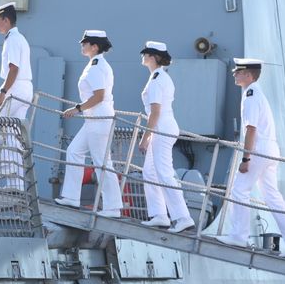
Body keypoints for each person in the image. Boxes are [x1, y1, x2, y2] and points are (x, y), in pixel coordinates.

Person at [218, 58, 285, 256]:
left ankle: (239, 235)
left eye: (238, 71)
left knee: (239, 190)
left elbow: (251, 129)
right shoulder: (256, 93)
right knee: (272, 196)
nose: (234, 74)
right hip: (270, 149)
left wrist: (246, 159)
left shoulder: (251, 95)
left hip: (258, 149)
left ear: (248, 74)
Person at [55, 31, 123, 218]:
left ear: (95, 46)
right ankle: (71, 196)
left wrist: (77, 108)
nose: (82, 46)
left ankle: (113, 207)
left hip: (99, 119)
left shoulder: (96, 66)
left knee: (102, 163)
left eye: (85, 43)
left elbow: (99, 96)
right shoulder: (96, 64)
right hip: (93, 119)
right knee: (74, 151)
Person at [137, 41, 194, 233]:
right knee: (150, 172)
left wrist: (145, 137)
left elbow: (155, 113)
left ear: (154, 57)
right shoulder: (159, 77)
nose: (143, 56)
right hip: (163, 127)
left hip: (160, 128)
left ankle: (182, 217)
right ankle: (160, 215)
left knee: (164, 173)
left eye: (146, 54)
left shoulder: (156, 79)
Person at [0, 3, 33, 120]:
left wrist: (3, 92)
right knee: (13, 129)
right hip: (26, 89)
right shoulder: (20, 38)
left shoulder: (12, 39)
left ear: (6, 20)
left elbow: (14, 68)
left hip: (15, 87)